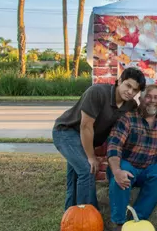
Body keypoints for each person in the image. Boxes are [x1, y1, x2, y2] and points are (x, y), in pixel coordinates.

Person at [52, 68, 146, 210]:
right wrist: (91, 157)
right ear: (119, 81)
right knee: (87, 170)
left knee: (75, 178)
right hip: (66, 132)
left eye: (135, 90)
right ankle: (89, 218)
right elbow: (85, 126)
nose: (130, 92)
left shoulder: (130, 105)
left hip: (83, 138)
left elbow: (141, 119)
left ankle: (71, 217)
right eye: (128, 85)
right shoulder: (97, 93)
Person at [106, 84, 157, 231]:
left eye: (156, 97)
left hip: (148, 170)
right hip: (127, 165)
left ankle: (136, 219)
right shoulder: (128, 118)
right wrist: (116, 171)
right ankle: (119, 223)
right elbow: (114, 146)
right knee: (123, 168)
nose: (152, 100)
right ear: (141, 98)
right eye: (148, 96)